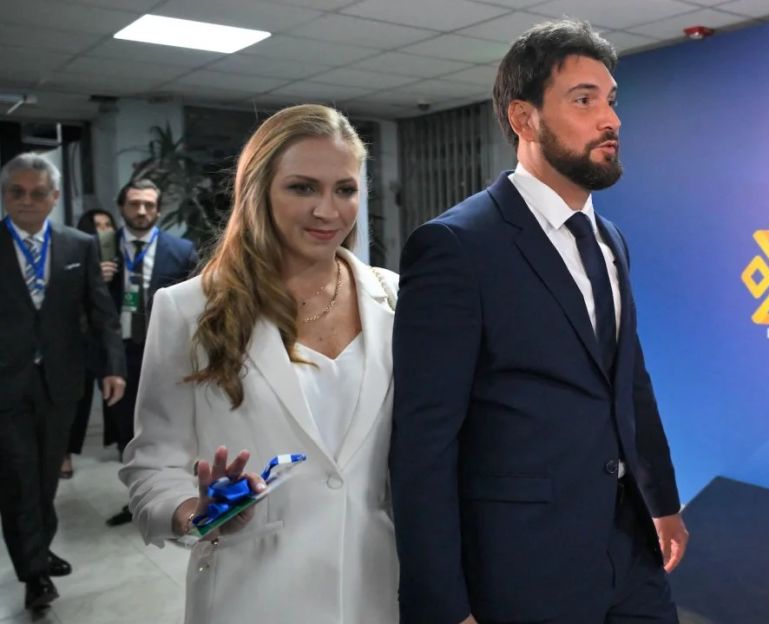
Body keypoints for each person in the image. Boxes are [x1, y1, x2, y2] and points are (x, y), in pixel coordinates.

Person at [390, 19, 688, 624]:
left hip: (629, 553)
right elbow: (423, 445)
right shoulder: (455, 247)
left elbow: (629, 383)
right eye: (584, 100)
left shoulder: (611, 241)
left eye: (610, 100)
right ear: (524, 120)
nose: (611, 119)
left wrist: (663, 502)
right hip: (521, 567)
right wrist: (443, 605)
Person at [119, 104, 400, 623]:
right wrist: (196, 513)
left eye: (345, 189)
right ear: (257, 191)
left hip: (377, 589)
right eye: (302, 187)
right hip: (254, 594)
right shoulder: (187, 309)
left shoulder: (395, 299)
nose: (327, 210)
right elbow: (152, 465)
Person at [0, 153, 126, 610]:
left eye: (38, 193)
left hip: (61, 381)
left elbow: (100, 311)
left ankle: (38, 548)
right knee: (17, 478)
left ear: (54, 198)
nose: (27, 201)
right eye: (17, 192)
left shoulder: (79, 245)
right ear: (5, 195)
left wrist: (113, 365)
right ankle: (33, 574)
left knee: (45, 476)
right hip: (6, 385)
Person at [104, 179, 198, 527]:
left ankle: (171, 493)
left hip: (164, 354)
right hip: (119, 354)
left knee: (165, 426)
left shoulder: (180, 248)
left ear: (158, 209)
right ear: (122, 207)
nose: (141, 211)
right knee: (125, 429)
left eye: (148, 204)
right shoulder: (100, 248)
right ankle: (138, 498)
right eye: (134, 204)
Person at [62, 208, 119, 479]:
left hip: (109, 335)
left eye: (108, 224)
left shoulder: (118, 253)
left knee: (117, 397)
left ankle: (123, 443)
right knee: (77, 401)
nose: (103, 230)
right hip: (79, 337)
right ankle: (65, 453)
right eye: (97, 225)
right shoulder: (74, 252)